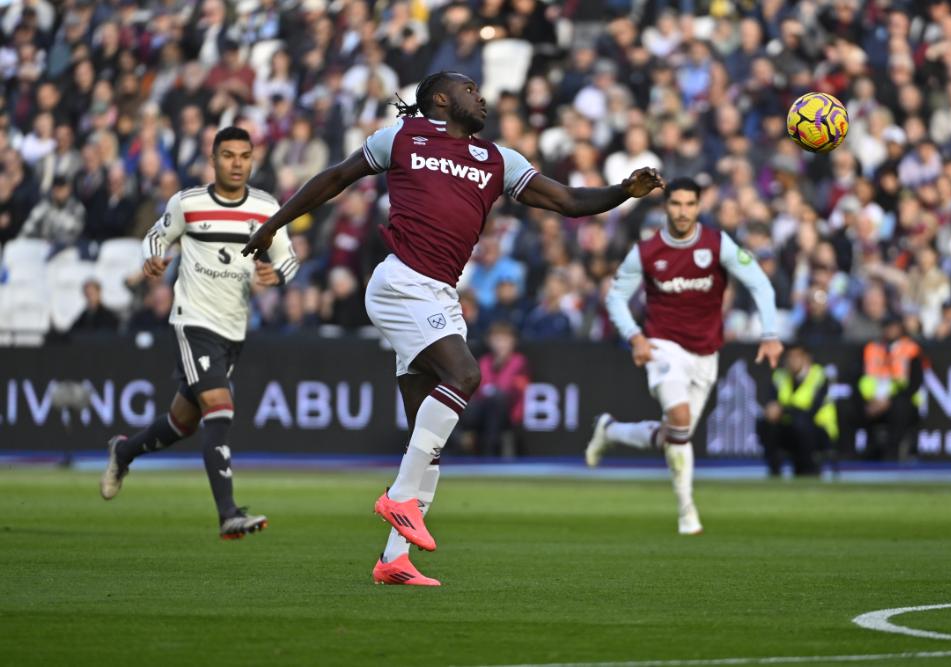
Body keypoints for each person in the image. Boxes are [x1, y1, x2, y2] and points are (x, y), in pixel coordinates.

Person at [241, 71, 663, 585]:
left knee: (430, 433)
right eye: (470, 90)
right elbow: (334, 178)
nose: (481, 97)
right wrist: (274, 223)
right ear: (440, 99)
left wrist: (623, 191)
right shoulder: (400, 138)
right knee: (463, 376)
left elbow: (569, 202)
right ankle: (398, 501)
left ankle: (394, 559)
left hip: (438, 293)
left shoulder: (498, 159)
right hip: (400, 282)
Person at [100, 127, 299, 539]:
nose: (237, 163)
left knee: (182, 423)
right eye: (228, 155)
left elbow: (289, 258)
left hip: (233, 329)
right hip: (193, 321)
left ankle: (124, 450)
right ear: (213, 159)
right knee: (221, 409)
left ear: (252, 160)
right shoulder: (188, 203)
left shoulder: (265, 208)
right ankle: (228, 513)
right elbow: (156, 237)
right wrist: (154, 259)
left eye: (244, 156)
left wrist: (276, 273)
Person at [584, 177, 782, 535]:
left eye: (690, 204)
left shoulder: (717, 244)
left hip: (706, 353)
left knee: (677, 434)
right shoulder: (646, 251)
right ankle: (687, 511)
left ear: (699, 207)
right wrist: (635, 337)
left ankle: (611, 430)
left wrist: (769, 333)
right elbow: (615, 297)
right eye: (676, 204)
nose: (683, 212)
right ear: (666, 207)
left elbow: (758, 282)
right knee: (679, 418)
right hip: (663, 346)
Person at [757, 344, 837, 477]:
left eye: (796, 357)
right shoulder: (780, 376)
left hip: (818, 429)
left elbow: (811, 411)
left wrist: (782, 410)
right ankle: (774, 468)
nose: (792, 361)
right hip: (789, 426)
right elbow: (772, 402)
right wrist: (772, 410)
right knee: (765, 423)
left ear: (807, 359)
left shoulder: (819, 376)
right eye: (789, 357)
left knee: (801, 424)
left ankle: (808, 468)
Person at [857, 314, 926, 460]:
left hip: (901, 400)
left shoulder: (911, 349)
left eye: (894, 327)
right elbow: (861, 378)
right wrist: (871, 401)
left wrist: (888, 401)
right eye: (887, 327)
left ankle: (892, 454)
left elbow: (915, 383)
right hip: (874, 400)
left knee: (900, 409)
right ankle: (854, 454)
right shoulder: (872, 348)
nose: (890, 330)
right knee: (850, 408)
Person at [459, 321, 530, 457]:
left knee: (498, 399)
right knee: (458, 403)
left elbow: (512, 391)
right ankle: (460, 444)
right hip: (482, 409)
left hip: (509, 412)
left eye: (505, 340)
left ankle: (489, 452)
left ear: (513, 342)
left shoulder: (519, 362)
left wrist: (500, 366)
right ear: (489, 341)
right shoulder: (484, 361)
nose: (501, 344)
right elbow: (479, 390)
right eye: (497, 339)